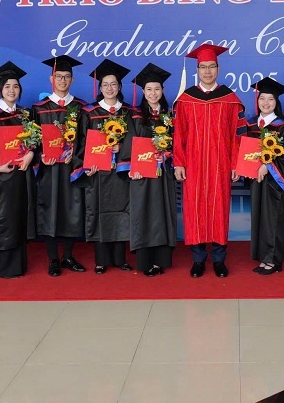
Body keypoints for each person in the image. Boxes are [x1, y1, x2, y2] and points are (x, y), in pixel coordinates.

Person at [172, 43, 246, 278]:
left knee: (219, 209)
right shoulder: (186, 100)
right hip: (193, 164)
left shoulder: (230, 100)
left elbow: (237, 135)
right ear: (197, 70)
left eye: (211, 66)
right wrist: (179, 162)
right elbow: (179, 134)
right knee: (194, 209)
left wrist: (236, 164)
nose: (207, 71)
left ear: (218, 69)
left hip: (220, 164)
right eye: (203, 67)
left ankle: (219, 260)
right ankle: (198, 260)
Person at [31, 55, 88, 276]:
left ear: (72, 80)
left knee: (71, 209)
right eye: (58, 76)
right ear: (51, 78)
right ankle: (53, 259)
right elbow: (32, 141)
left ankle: (68, 257)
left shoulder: (81, 108)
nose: (62, 80)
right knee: (50, 209)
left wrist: (77, 154)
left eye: (66, 77)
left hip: (71, 168)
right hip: (49, 169)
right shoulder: (39, 108)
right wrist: (40, 156)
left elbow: (85, 139)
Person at [79, 58, 134, 274]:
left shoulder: (128, 113)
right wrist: (87, 166)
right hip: (99, 173)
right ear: (100, 88)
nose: (109, 88)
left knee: (121, 211)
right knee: (99, 210)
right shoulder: (90, 113)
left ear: (119, 87)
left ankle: (120, 258)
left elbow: (135, 141)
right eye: (105, 85)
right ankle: (101, 260)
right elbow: (82, 143)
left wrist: (122, 149)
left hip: (120, 173)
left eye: (113, 84)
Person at [0, 61, 35, 278]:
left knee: (20, 216)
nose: (12, 90)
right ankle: (4, 266)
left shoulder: (25, 115)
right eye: (7, 87)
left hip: (22, 175)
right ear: (0, 90)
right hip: (2, 178)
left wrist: (31, 154)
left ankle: (19, 264)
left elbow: (34, 142)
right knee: (4, 218)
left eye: (15, 86)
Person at [127, 63, 177, 276]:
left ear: (163, 91)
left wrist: (167, 154)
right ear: (143, 91)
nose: (153, 93)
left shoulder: (170, 117)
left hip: (162, 174)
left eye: (157, 89)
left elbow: (178, 143)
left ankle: (160, 260)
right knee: (144, 213)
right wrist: (132, 168)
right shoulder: (134, 116)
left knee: (162, 214)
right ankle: (145, 261)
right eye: (149, 89)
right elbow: (129, 143)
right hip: (142, 175)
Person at [245, 77, 284, 274]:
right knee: (258, 216)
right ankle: (262, 256)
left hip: (274, 180)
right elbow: (245, 152)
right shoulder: (251, 124)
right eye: (262, 99)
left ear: (276, 102)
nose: (266, 103)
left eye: (270, 99)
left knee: (272, 218)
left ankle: (273, 260)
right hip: (255, 179)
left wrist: (268, 166)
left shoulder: (283, 127)